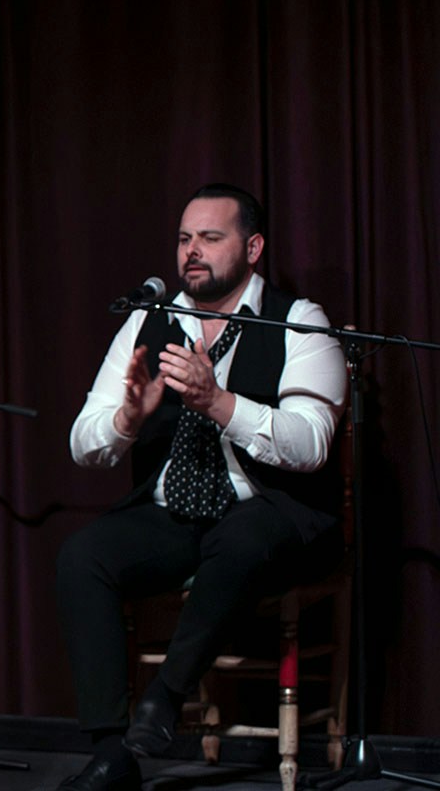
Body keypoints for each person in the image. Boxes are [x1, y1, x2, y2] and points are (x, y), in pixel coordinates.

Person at [56, 183, 347, 791]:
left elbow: (312, 442)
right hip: (178, 515)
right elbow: (84, 439)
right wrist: (127, 420)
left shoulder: (300, 321)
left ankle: (165, 697)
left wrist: (218, 403)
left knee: (242, 537)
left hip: (271, 510)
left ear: (253, 247)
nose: (192, 251)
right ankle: (113, 752)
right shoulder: (149, 320)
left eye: (211, 238)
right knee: (84, 556)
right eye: (185, 238)